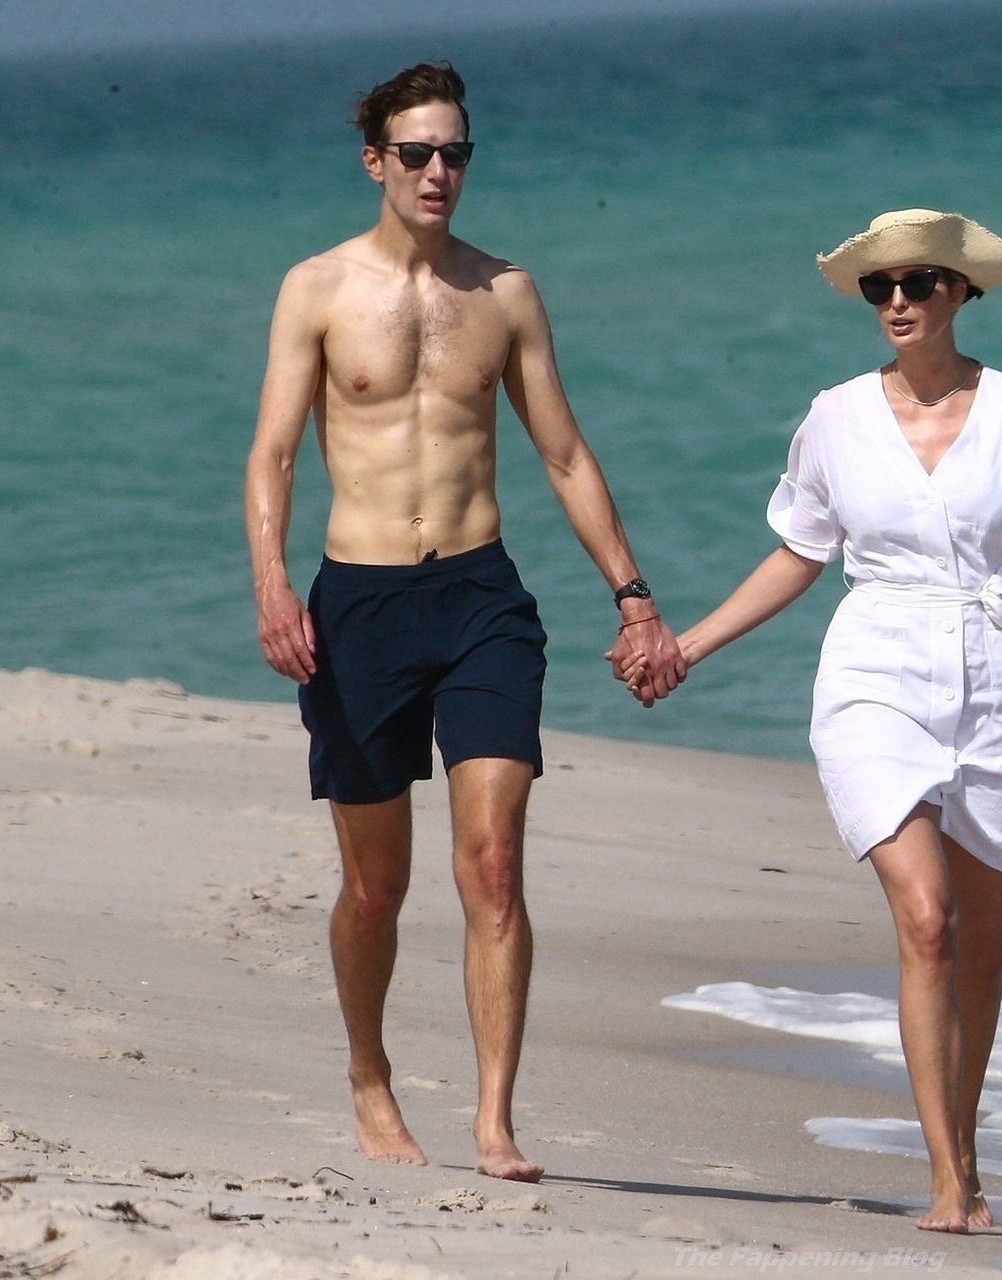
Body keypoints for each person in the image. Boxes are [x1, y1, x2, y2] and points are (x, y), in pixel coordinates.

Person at [243, 60, 686, 1184]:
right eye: (418, 153)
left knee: (492, 864)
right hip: (359, 606)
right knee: (375, 887)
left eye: (456, 153)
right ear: (375, 163)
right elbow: (275, 453)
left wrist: (633, 594)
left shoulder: (505, 293)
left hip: (482, 597)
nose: (439, 171)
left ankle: (494, 1119)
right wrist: (273, 587)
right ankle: (368, 1073)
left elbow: (564, 455)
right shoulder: (316, 289)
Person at [616, 209, 1002, 1232]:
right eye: (881, 286)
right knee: (927, 918)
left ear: (961, 291)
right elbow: (800, 553)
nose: (897, 302)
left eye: (918, 284)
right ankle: (945, 1179)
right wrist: (685, 646)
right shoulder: (835, 416)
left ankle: (967, 1153)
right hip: (875, 670)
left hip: (999, 682)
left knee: (981, 952)